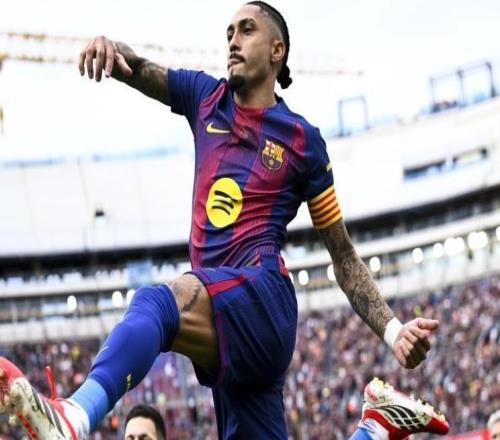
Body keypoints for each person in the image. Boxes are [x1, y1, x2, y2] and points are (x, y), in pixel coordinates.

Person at [0, 2, 449, 439]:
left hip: (261, 300)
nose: (233, 41)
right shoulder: (206, 98)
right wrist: (111, 48)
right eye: (229, 33)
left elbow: (343, 257)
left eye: (247, 30)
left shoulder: (302, 141)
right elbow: (138, 66)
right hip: (224, 319)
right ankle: (375, 426)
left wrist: (393, 330)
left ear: (277, 50)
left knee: (159, 303)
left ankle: (76, 414)